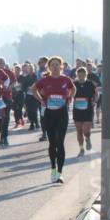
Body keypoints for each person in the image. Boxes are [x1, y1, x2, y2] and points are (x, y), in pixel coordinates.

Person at [32, 55, 75, 184]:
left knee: (60, 143)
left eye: (57, 65)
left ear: (61, 66)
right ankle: (53, 169)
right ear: (49, 67)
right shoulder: (45, 80)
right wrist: (41, 100)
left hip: (62, 113)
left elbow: (73, 88)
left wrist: (70, 98)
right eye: (52, 65)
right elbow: (34, 89)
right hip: (49, 113)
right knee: (52, 143)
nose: (55, 67)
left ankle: (60, 173)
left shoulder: (66, 79)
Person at [72, 66, 96, 156]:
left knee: (86, 130)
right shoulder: (74, 84)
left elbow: (96, 95)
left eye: (83, 74)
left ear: (86, 75)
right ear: (77, 75)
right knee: (79, 131)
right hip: (77, 110)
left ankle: (88, 138)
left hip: (88, 109)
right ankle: (81, 149)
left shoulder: (90, 84)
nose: (81, 76)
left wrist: (94, 101)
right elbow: (69, 94)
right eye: (79, 74)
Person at [19, 62, 40, 131]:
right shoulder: (25, 77)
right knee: (29, 111)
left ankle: (36, 122)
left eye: (31, 68)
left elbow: (39, 85)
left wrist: (34, 87)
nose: (30, 69)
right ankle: (32, 123)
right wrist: (27, 87)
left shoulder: (36, 76)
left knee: (34, 110)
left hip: (35, 95)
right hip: (28, 96)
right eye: (29, 68)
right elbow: (23, 87)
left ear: (33, 69)